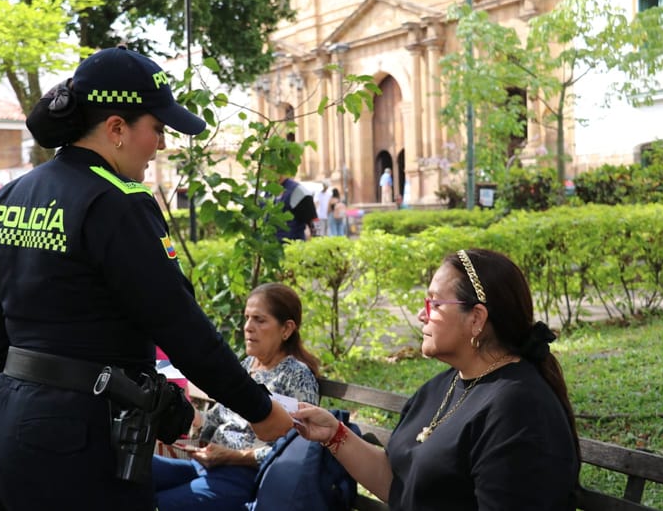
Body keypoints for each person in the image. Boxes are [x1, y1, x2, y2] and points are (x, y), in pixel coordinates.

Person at [0, 45, 293, 511]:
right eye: (156, 128)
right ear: (116, 128)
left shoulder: (11, 195)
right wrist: (263, 412)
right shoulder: (117, 204)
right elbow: (184, 331)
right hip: (77, 444)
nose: (161, 144)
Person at [293, 249, 580, 510]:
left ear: (476, 319)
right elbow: (401, 485)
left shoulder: (520, 409)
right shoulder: (445, 385)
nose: (421, 315)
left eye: (435, 304)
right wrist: (334, 435)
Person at [153, 282, 320, 511]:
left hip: (246, 478)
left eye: (259, 320)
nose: (248, 327)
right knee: (132, 473)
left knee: (155, 503)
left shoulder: (297, 376)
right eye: (247, 318)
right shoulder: (247, 365)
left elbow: (293, 450)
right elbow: (215, 420)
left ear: (287, 329)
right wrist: (187, 414)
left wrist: (233, 457)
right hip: (207, 467)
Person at [275, 175, 319, 243]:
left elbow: (313, 222)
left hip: (293, 246)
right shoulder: (267, 191)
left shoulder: (297, 191)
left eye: (271, 166)